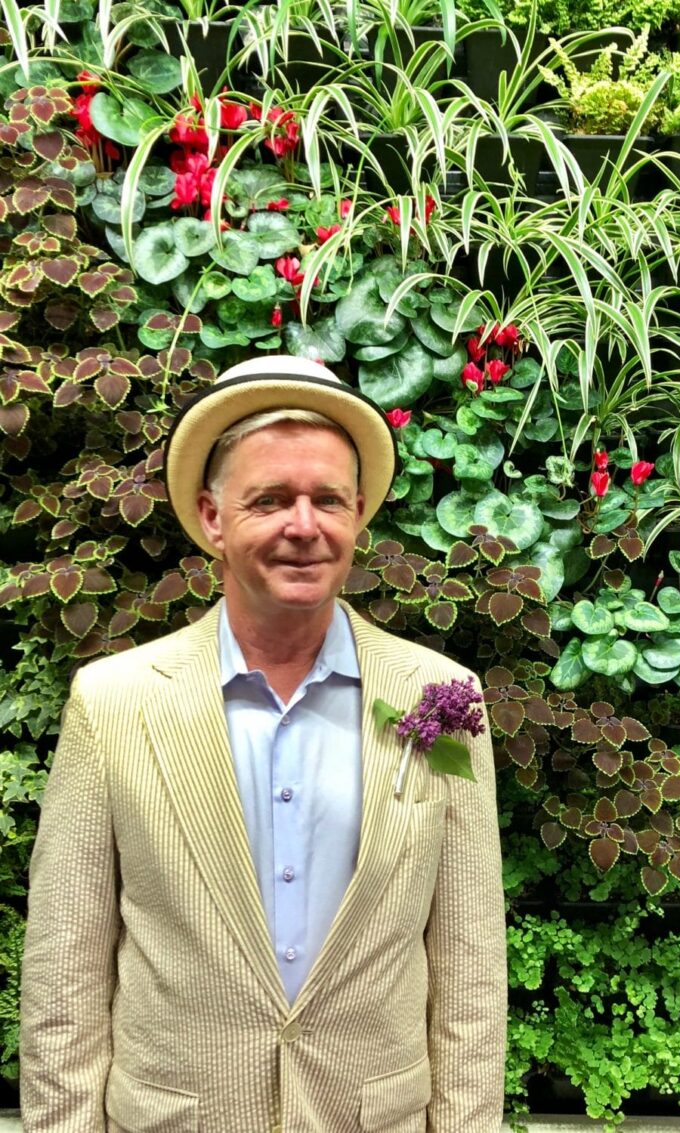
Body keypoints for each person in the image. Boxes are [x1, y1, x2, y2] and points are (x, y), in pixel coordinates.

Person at [20, 356, 507, 1132]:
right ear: (213, 517)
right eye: (271, 499)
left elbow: (471, 975)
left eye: (328, 500)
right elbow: (63, 981)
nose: (304, 526)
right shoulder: (114, 705)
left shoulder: (438, 701)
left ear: (358, 514)